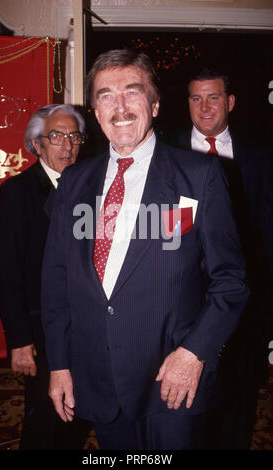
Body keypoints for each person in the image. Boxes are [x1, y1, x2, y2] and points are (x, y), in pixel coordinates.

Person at [41, 50, 249, 450]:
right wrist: (60, 363)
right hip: (99, 376)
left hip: (171, 378)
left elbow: (231, 281)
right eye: (105, 95)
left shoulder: (200, 176)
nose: (119, 107)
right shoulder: (74, 182)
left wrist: (194, 353)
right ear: (95, 112)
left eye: (132, 92)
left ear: (154, 104)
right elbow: (57, 281)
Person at [175, 67, 273, 449]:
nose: (204, 107)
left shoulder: (261, 159)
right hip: (186, 304)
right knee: (187, 401)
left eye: (213, 97)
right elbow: (171, 233)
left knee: (238, 397)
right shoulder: (170, 154)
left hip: (245, 304)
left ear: (229, 102)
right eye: (196, 98)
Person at [0, 104, 89, 450]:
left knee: (77, 415)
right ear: (37, 144)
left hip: (85, 326)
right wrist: (18, 340)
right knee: (45, 417)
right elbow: (6, 271)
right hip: (40, 330)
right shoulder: (17, 192)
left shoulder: (90, 187)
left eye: (74, 136)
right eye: (56, 136)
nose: (67, 145)